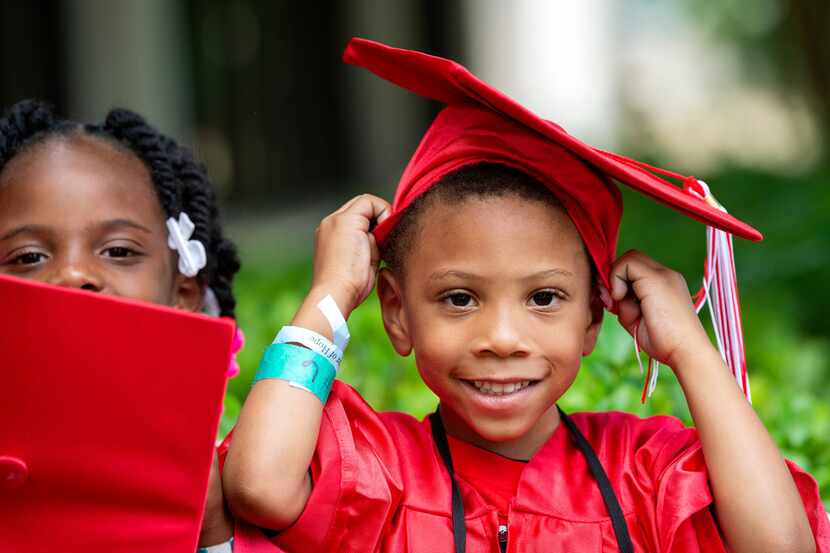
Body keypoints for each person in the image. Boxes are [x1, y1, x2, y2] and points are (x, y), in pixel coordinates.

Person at [222, 39, 830, 552]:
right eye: (459, 299)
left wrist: (691, 350)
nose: (502, 338)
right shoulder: (382, 471)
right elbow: (257, 484)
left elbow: (782, 544)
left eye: (544, 298)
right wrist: (329, 294)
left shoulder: (644, 472)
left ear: (594, 315)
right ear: (396, 312)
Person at [0, 99, 239, 551]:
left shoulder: (238, 474)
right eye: (29, 257)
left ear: (184, 293)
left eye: (119, 251)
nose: (74, 275)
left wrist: (213, 529)